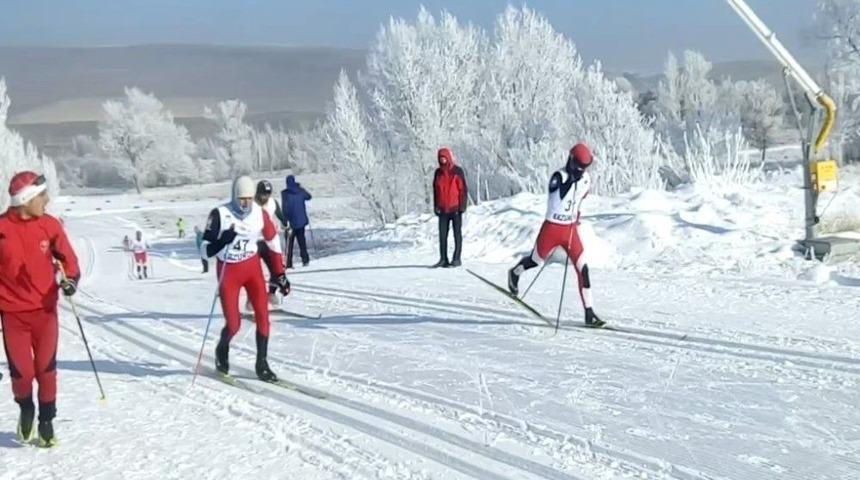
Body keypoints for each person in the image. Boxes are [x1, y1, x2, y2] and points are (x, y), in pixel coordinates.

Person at [0, 171, 80, 447]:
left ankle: (46, 420)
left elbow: (68, 259)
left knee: (46, 370)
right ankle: (26, 409)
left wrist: (70, 279)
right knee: (22, 373)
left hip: (45, 313)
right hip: (13, 316)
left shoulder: (50, 225)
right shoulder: (1, 229)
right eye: (41, 196)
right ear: (25, 199)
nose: (47, 200)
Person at [201, 176, 290, 381]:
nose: (245, 204)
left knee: (263, 317)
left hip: (252, 270)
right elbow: (204, 251)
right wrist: (221, 241)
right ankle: (222, 350)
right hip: (229, 272)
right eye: (241, 199)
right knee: (234, 324)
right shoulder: (219, 215)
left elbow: (273, 241)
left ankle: (262, 364)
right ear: (234, 196)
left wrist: (279, 273)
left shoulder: (259, 213)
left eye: (249, 199)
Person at [507, 143, 605, 327]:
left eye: (584, 168)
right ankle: (515, 272)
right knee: (536, 260)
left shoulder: (585, 179)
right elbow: (557, 194)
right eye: (578, 167)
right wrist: (571, 181)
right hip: (552, 227)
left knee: (583, 267)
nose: (581, 171)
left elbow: (579, 200)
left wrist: (576, 215)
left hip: (569, 229)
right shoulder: (559, 176)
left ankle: (589, 313)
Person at [432, 147, 467, 268]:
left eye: (444, 158)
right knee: (442, 235)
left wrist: (462, 205)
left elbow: (463, 189)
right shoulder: (438, 173)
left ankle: (456, 258)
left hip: (455, 208)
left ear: (448, 157)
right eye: (440, 158)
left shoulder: (457, 171)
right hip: (442, 209)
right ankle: (443, 259)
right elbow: (435, 191)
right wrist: (436, 205)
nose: (442, 160)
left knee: (457, 234)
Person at [255, 180, 287, 306]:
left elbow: (281, 216)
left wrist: (286, 225)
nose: (265, 197)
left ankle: (272, 293)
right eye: (263, 194)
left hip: (269, 242)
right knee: (254, 272)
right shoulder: (251, 204)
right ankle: (252, 299)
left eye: (267, 194)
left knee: (276, 269)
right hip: (254, 242)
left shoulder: (273, 202)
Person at [281, 175, 312, 268]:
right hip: (301, 221)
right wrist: (300, 187)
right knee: (302, 241)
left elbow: (285, 209)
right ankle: (305, 260)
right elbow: (309, 197)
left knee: (289, 244)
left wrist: (284, 221)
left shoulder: (285, 194)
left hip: (291, 223)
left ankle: (288, 263)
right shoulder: (300, 192)